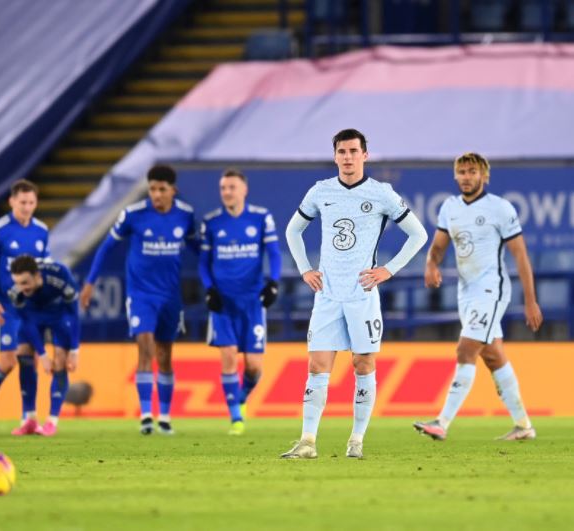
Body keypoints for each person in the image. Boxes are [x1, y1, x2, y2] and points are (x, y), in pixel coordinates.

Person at [281, 128, 427, 459]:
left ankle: (356, 440)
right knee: (317, 365)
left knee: (363, 364)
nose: (347, 157)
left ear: (365, 155)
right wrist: (305, 268)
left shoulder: (381, 193)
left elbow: (418, 234)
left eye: (353, 151)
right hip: (328, 293)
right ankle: (307, 441)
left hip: (362, 294)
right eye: (342, 152)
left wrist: (389, 270)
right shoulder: (321, 191)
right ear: (335, 156)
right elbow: (293, 230)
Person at [414, 153, 542, 441]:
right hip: (466, 291)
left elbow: (520, 255)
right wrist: (431, 264)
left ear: (484, 176)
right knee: (494, 356)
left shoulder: (500, 208)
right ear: (455, 175)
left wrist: (530, 300)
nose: (467, 176)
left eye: (472, 171)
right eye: (462, 171)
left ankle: (442, 422)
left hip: (491, 289)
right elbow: (438, 247)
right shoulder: (450, 207)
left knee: (465, 349)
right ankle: (523, 426)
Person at [79, 165, 196, 435]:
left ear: (173, 191)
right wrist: (89, 283)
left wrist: (216, 273)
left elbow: (196, 247)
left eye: (161, 189)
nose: (156, 194)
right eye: (152, 189)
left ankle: (164, 418)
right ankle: (145, 416)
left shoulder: (185, 216)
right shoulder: (133, 214)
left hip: (170, 296)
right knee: (145, 346)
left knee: (165, 355)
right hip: (141, 294)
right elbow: (106, 246)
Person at [198, 169, 282, 435]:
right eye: (223, 188)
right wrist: (209, 289)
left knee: (255, 366)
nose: (226, 192)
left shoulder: (260, 218)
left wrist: (274, 282)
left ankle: (242, 396)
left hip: (252, 302)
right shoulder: (211, 222)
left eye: (231, 187)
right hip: (223, 303)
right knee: (229, 356)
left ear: (244, 190)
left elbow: (274, 253)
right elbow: (203, 263)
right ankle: (236, 418)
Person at [0, 180, 51, 435]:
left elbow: (43, 269)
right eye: (22, 203)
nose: (27, 207)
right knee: (8, 362)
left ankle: (29, 417)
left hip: (31, 307)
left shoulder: (41, 231)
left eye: (31, 203)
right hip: (6, 306)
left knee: (27, 358)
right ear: (12, 202)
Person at [8, 255, 81, 437]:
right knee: (23, 354)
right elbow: (28, 323)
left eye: (25, 282)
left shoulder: (60, 276)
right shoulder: (15, 292)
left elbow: (73, 314)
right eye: (18, 283)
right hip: (33, 319)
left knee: (60, 360)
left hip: (59, 317)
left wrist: (74, 349)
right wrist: (41, 355)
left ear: (37, 275)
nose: (22, 288)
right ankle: (30, 419)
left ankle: (51, 422)